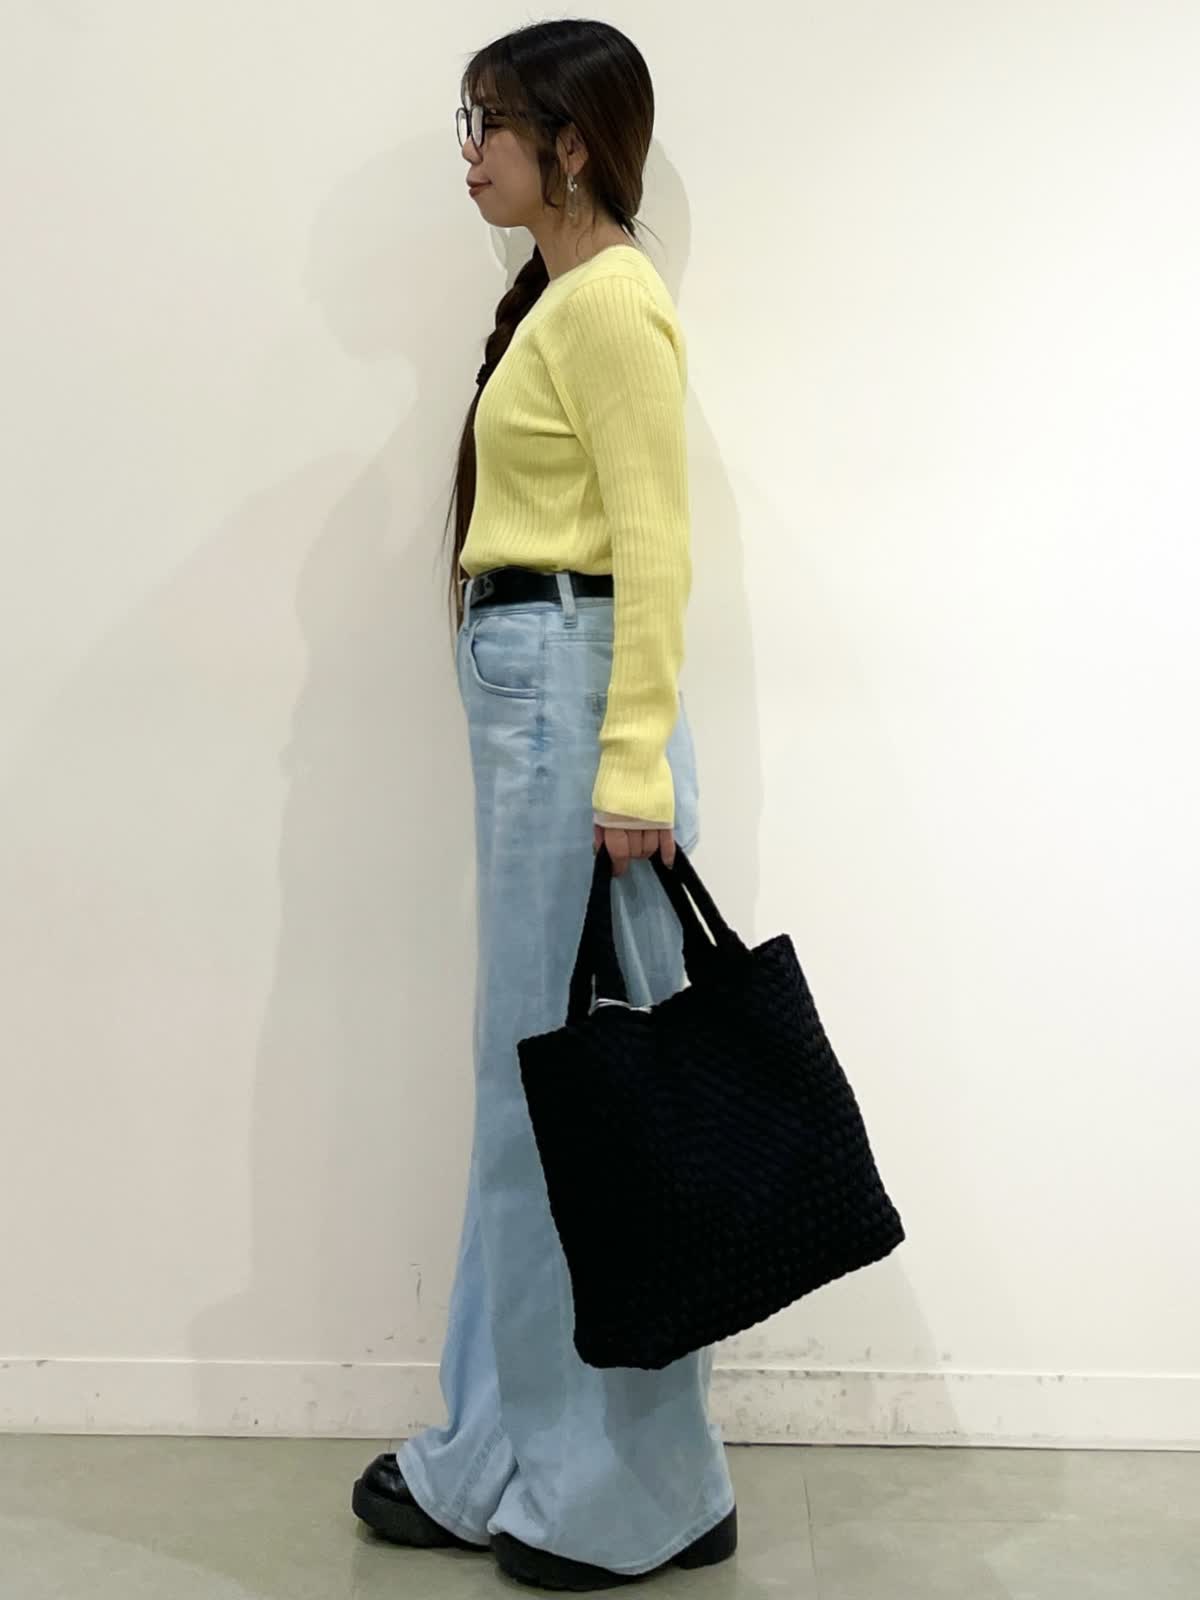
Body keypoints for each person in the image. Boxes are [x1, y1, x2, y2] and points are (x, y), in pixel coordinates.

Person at [351, 19, 737, 1591]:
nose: (470, 154)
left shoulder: (613, 304)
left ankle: (629, 1494)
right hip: (544, 704)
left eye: (489, 124)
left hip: (578, 722)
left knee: (586, 1108)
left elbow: (656, 546)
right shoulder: (561, 302)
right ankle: (508, 1455)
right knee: (544, 1096)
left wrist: (632, 766)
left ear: (569, 143)